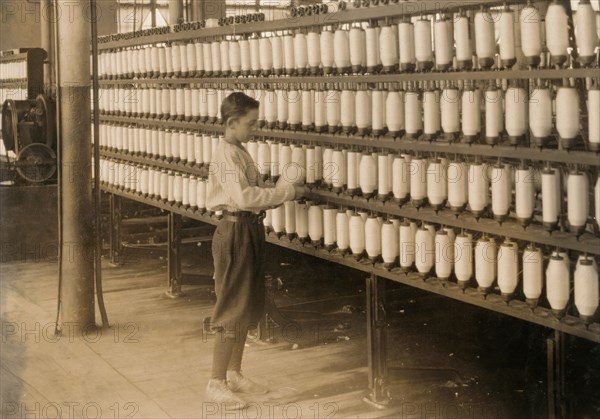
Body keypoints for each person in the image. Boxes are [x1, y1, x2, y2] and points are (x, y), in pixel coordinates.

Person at [205, 92, 308, 409]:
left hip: (248, 229)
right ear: (232, 122)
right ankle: (216, 382)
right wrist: (287, 190)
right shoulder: (227, 156)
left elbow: (256, 192)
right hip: (234, 231)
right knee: (232, 308)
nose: (255, 128)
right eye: (250, 123)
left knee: (248, 305)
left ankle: (234, 373)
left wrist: (280, 190)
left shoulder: (240, 151)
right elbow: (246, 197)